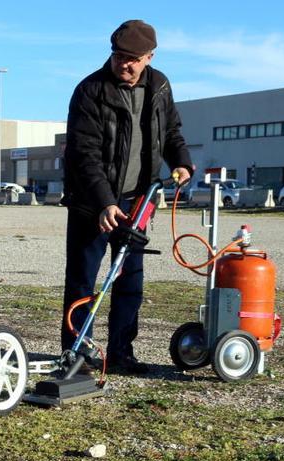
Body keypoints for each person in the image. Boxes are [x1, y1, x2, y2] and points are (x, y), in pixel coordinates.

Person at [61, 19, 193, 374]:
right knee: (83, 279)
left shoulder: (160, 86)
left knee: (129, 279)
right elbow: (83, 153)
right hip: (92, 201)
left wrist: (181, 162)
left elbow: (171, 132)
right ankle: (77, 353)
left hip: (138, 200)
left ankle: (121, 353)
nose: (125, 64)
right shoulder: (90, 91)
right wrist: (104, 202)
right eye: (119, 56)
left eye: (133, 58)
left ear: (149, 57)